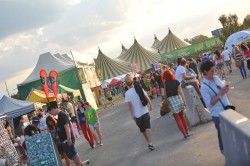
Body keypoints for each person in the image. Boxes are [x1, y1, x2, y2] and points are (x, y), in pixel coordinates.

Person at [200, 60, 232, 154]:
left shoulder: (216, 78)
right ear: (205, 71)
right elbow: (209, 104)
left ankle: (232, 153)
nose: (213, 73)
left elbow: (222, 90)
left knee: (231, 134)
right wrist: (220, 94)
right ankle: (226, 154)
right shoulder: (204, 87)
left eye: (214, 70)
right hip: (218, 114)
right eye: (211, 71)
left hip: (227, 108)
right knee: (223, 136)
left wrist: (225, 89)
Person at [124, 76, 155, 150]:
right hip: (144, 110)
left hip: (137, 115)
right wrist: (150, 104)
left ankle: (148, 142)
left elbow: (130, 106)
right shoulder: (138, 88)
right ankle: (150, 143)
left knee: (143, 130)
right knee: (148, 127)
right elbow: (146, 97)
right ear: (132, 81)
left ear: (126, 84)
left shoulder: (127, 93)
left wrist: (133, 115)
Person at [162, 70, 190, 139]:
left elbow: (164, 95)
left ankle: (184, 135)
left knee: (178, 120)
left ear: (164, 77)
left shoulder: (165, 84)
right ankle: (187, 132)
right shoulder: (176, 81)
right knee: (182, 117)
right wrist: (184, 101)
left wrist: (167, 103)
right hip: (178, 99)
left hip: (171, 101)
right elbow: (181, 92)